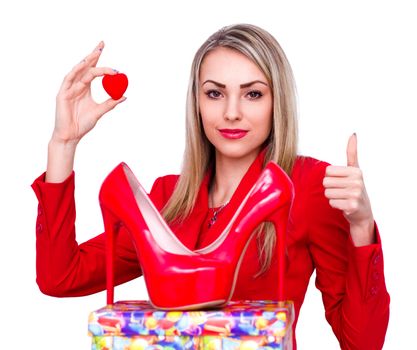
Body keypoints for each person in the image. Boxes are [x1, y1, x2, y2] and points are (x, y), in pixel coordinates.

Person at [31, 23, 390, 349]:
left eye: (253, 94)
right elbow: (59, 278)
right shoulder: (164, 201)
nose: (231, 112)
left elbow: (362, 343)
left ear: (276, 101)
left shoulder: (307, 186)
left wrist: (361, 227)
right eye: (215, 94)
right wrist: (63, 143)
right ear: (197, 103)